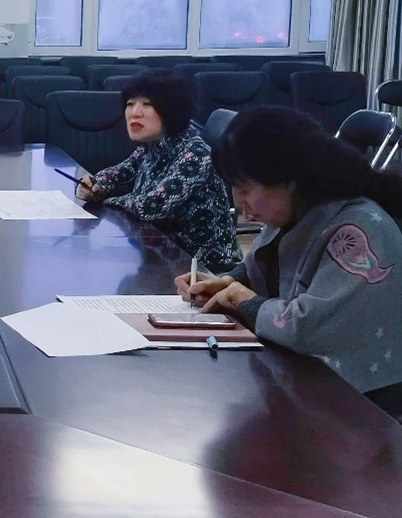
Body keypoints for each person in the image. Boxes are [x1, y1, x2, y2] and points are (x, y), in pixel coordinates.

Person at [179, 105, 402, 413]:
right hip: (313, 385)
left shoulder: (358, 228)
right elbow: (266, 263)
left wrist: (245, 301)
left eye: (244, 188)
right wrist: (230, 282)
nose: (238, 203)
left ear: (289, 180)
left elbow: (312, 327)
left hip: (366, 409)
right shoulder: (299, 208)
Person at [77, 69, 241, 272]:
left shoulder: (195, 154)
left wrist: (109, 200)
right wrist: (95, 184)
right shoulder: (152, 145)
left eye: (147, 104)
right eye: (130, 104)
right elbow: (120, 173)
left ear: (171, 110)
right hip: (164, 256)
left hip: (204, 269)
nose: (135, 112)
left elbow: (151, 206)